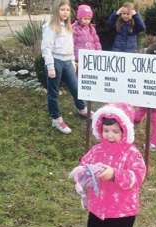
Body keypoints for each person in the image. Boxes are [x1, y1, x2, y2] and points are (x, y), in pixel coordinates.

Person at [69, 102, 147, 227]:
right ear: (100, 129)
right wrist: (81, 176)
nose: (110, 135)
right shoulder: (96, 150)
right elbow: (84, 165)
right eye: (106, 130)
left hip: (123, 212)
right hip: (98, 208)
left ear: (125, 130)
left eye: (115, 131)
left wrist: (114, 174)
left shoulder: (132, 153)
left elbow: (137, 177)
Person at [41, 0, 92, 134]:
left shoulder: (68, 26)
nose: (65, 12)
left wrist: (71, 61)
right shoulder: (50, 26)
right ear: (56, 10)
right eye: (62, 9)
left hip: (67, 61)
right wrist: (51, 67)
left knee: (76, 87)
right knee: (53, 93)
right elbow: (46, 48)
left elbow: (70, 45)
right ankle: (56, 119)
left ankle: (82, 108)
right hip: (55, 61)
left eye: (67, 10)